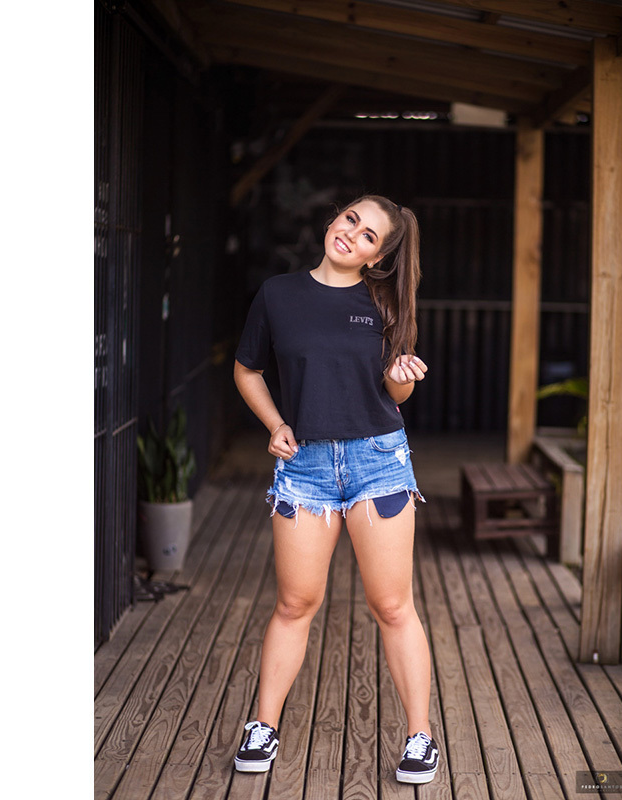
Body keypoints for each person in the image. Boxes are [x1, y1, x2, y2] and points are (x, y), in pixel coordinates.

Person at [232, 194, 439, 784]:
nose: (353, 233)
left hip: (378, 462)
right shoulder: (277, 294)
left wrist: (400, 379)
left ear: (377, 258)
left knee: (392, 606)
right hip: (305, 467)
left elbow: (395, 393)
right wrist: (275, 424)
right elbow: (247, 369)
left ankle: (420, 737)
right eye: (351, 219)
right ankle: (263, 726)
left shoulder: (384, 303)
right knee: (295, 604)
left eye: (369, 235)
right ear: (333, 218)